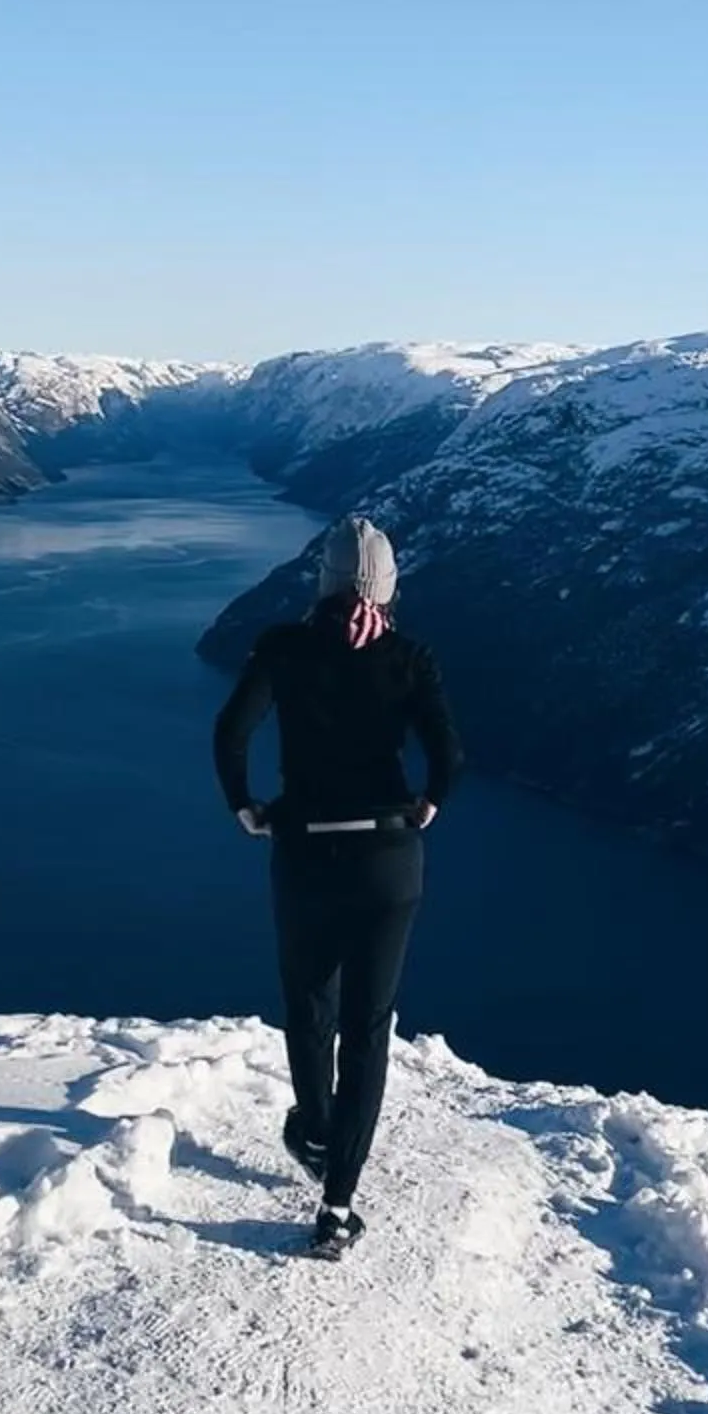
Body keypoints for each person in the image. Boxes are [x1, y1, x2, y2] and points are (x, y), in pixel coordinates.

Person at [212, 514, 462, 1258]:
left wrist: (246, 809)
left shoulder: (283, 648)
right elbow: (450, 754)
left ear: (320, 580)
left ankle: (315, 1133)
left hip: (305, 853)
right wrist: (426, 802)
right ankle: (338, 1206)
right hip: (389, 861)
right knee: (368, 1026)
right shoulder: (410, 657)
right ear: (387, 588)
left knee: (309, 1007)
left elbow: (231, 734)